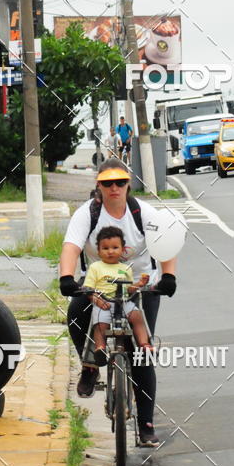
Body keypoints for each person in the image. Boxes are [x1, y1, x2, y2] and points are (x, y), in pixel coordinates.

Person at [59, 157, 178, 447]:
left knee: (141, 353)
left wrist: (168, 277)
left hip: (140, 285)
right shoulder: (88, 213)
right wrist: (67, 277)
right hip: (98, 285)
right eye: (107, 183)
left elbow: (166, 243)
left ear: (128, 184)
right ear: (98, 186)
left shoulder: (142, 212)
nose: (114, 188)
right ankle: (90, 366)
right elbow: (71, 247)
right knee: (76, 313)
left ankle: (146, 424)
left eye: (120, 182)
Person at [84, 226, 152, 365]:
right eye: (105, 248)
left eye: (115, 247)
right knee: (100, 323)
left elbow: (129, 289)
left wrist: (139, 284)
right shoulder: (95, 267)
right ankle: (100, 348)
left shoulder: (125, 268)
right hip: (104, 302)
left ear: (122, 249)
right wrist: (95, 299)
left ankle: (144, 344)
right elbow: (89, 288)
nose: (110, 251)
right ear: (98, 250)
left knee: (137, 316)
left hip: (123, 301)